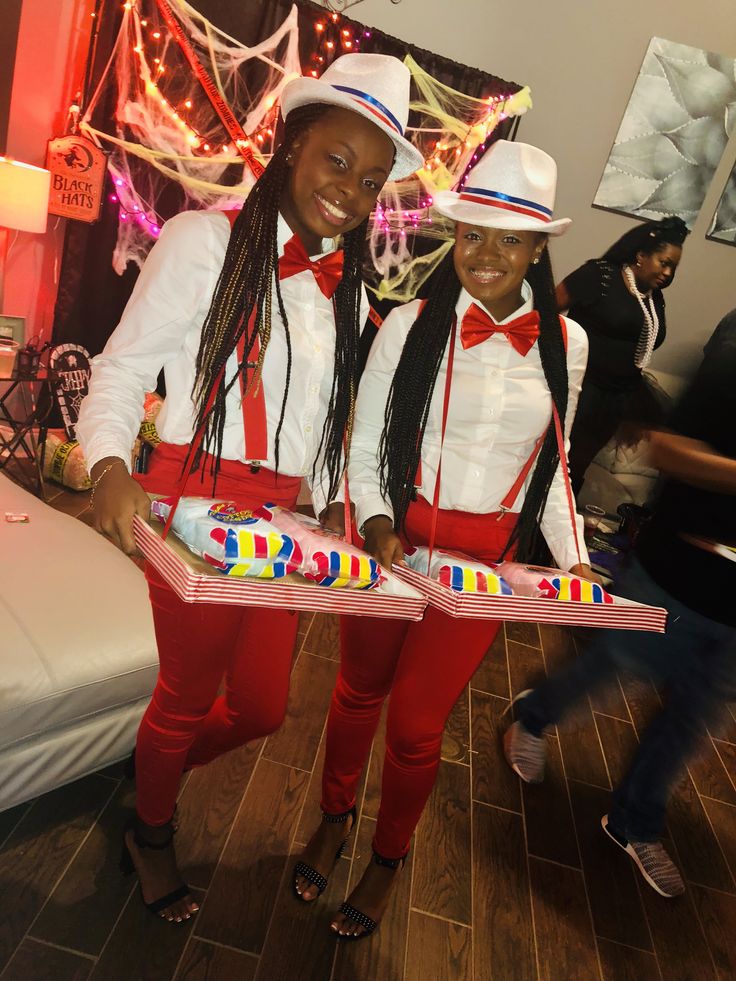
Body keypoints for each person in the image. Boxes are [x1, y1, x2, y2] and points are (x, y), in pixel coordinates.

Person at [75, 53, 424, 924]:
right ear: (295, 144)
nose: (351, 190)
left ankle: (150, 768)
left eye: (372, 179)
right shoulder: (206, 242)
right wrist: (111, 466)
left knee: (264, 705)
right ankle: (150, 830)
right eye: (337, 160)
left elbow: (328, 431)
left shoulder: (348, 293)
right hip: (192, 499)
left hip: (279, 520)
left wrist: (364, 518)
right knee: (188, 693)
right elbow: (119, 368)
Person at [293, 140, 599, 939]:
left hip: (484, 571)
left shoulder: (570, 345)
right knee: (358, 692)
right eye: (472, 234)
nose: (487, 255)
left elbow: (555, 467)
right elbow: (361, 447)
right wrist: (382, 523)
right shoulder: (409, 325)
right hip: (392, 544)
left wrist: (576, 560)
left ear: (538, 249)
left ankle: (389, 859)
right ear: (454, 238)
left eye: (509, 239)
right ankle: (333, 816)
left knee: (418, 725)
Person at [504, 308, 736, 898]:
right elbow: (666, 451)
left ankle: (633, 822)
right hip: (678, 574)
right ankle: (533, 715)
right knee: (612, 668)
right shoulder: (731, 364)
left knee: (691, 720)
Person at [559, 216, 689, 493]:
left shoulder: (654, 298)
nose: (667, 272)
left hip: (617, 399)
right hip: (580, 389)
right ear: (641, 256)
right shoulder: (600, 276)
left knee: (577, 467)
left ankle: (555, 531)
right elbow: (546, 312)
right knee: (558, 463)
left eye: (673, 267)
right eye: (663, 262)